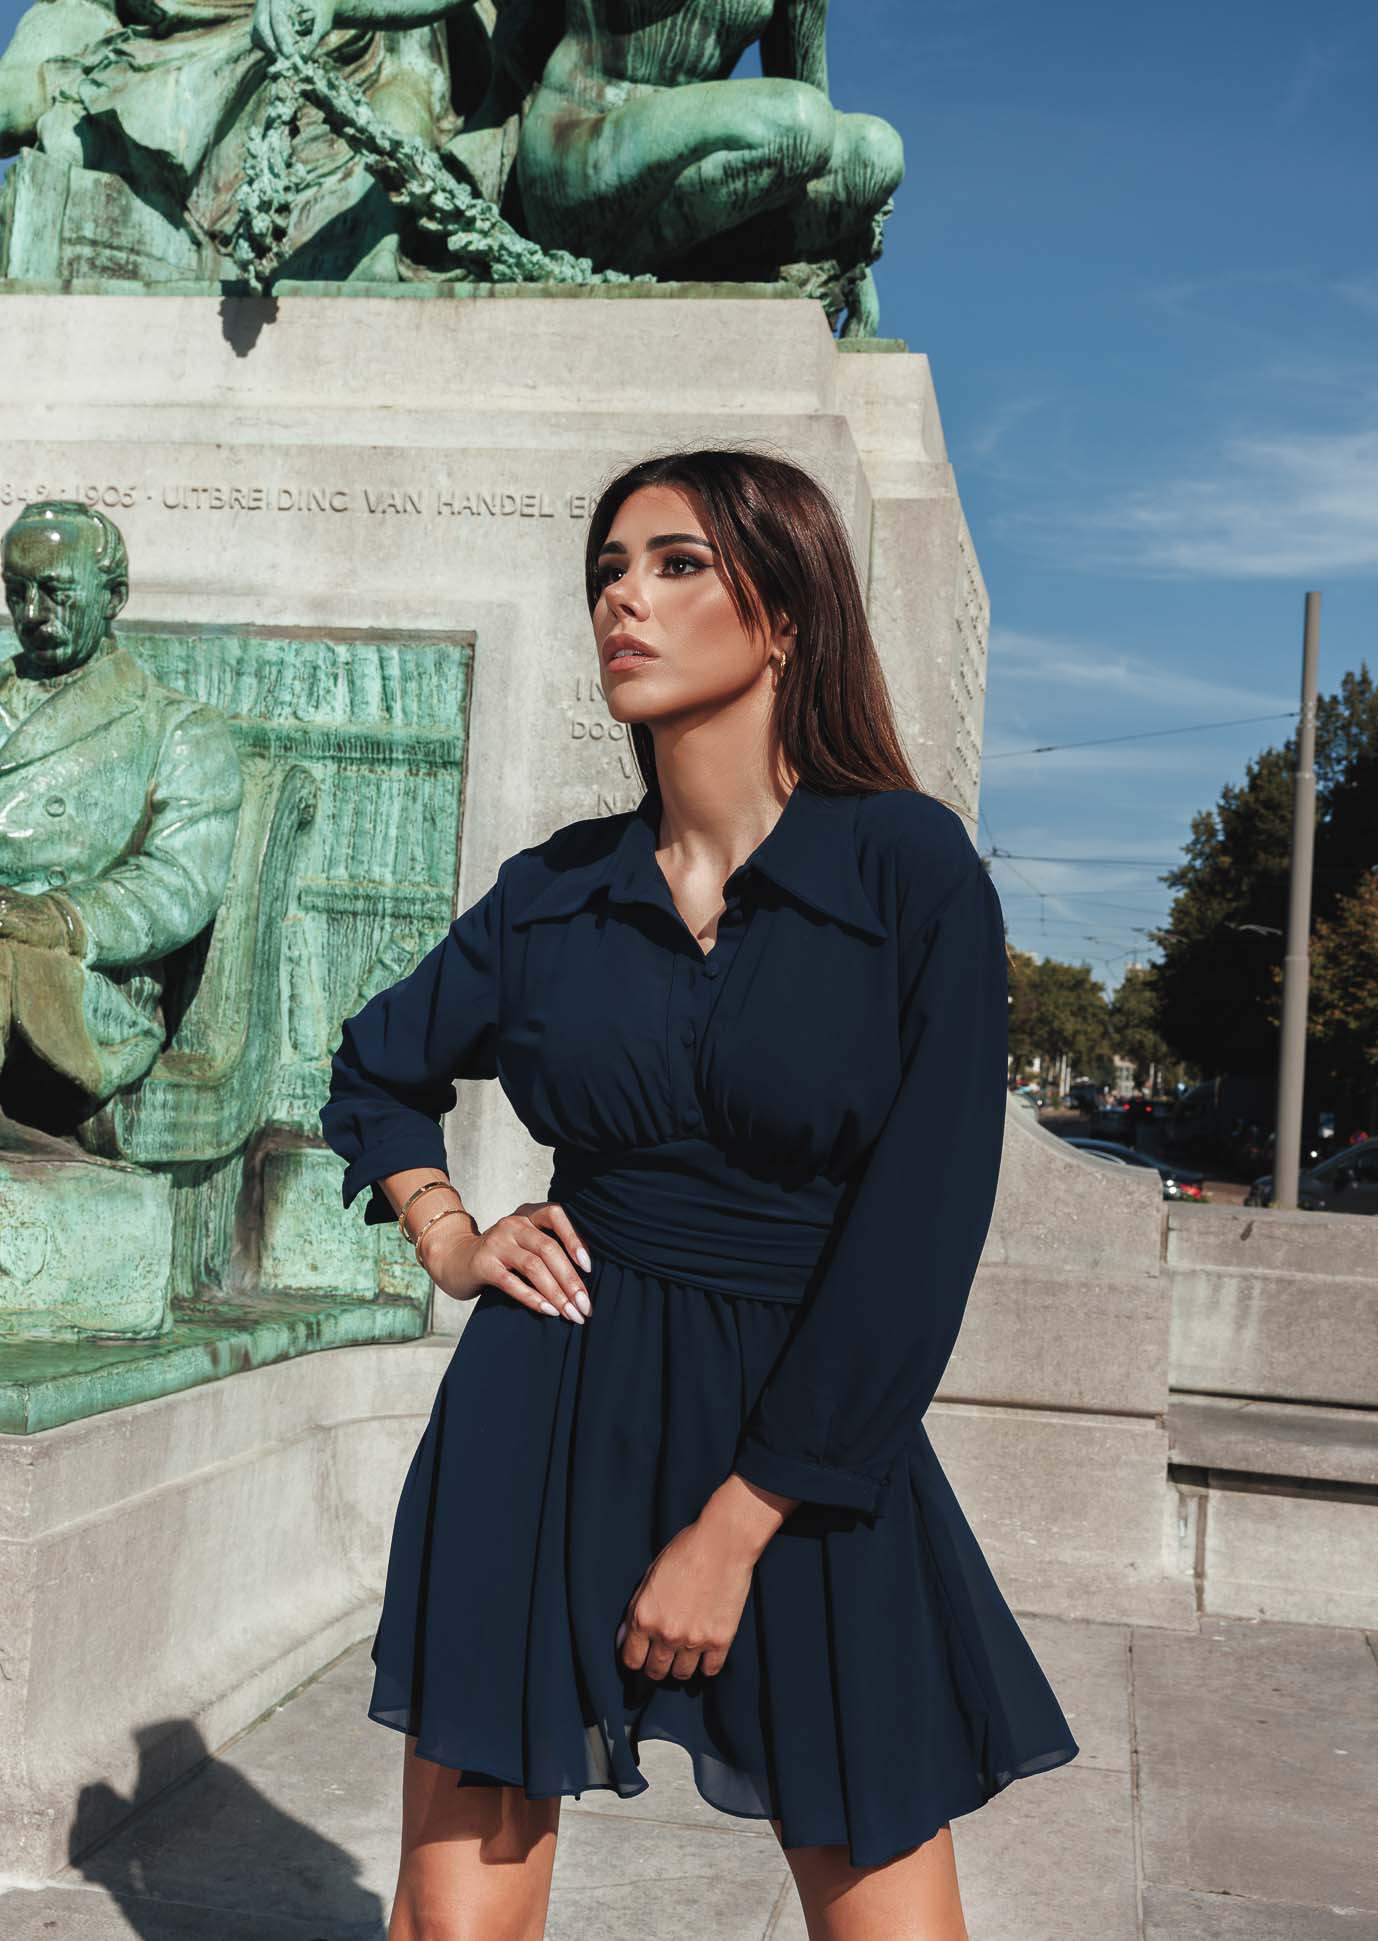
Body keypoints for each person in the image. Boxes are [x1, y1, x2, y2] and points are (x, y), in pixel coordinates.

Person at [319, 448, 1079, 1939]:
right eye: (607, 568)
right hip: (542, 1414)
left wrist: (735, 1524)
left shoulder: (904, 870)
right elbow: (374, 1066)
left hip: (804, 1446)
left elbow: (918, 1235)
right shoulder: (554, 890)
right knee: (448, 1918)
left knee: (887, 1914)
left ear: (782, 612)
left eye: (673, 564)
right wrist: (451, 1234)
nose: (624, 597)